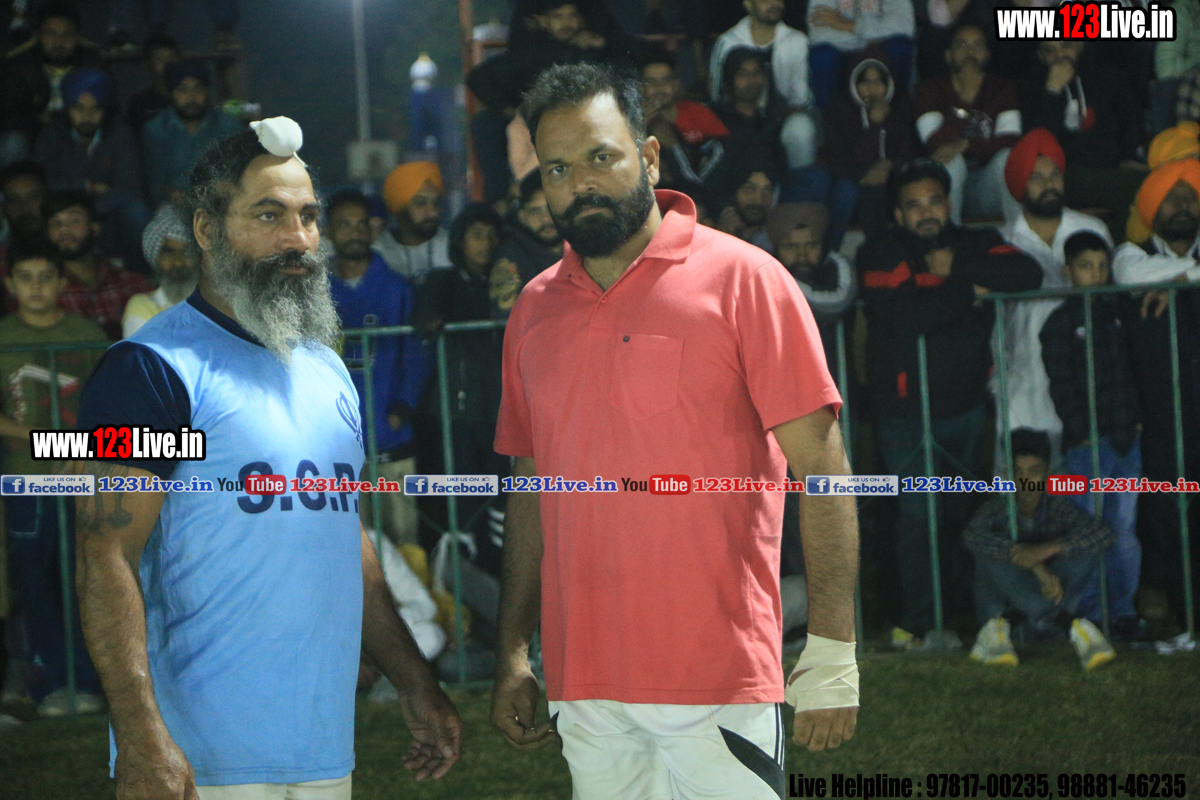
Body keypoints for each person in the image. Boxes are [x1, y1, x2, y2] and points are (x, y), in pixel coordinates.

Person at [491, 63, 860, 799]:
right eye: (558, 168)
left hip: (719, 679)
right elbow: (532, 493)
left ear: (651, 157)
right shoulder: (532, 309)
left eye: (601, 156)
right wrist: (511, 653)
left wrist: (832, 648)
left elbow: (823, 470)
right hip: (585, 686)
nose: (581, 183)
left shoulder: (747, 280)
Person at [70, 119, 462, 798]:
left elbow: (345, 539)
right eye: (269, 215)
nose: (299, 239)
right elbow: (104, 556)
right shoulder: (149, 369)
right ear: (206, 229)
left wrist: (415, 682)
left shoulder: (327, 370)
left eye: (308, 216)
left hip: (321, 747)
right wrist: (139, 734)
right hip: (200, 757)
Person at [858, 158, 1042, 641]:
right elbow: (904, 317)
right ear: (898, 213)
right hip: (905, 414)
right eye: (914, 204)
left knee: (963, 515)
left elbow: (1027, 274)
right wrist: (968, 288)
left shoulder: (972, 242)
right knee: (919, 517)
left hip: (966, 408)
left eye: (934, 201)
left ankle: (960, 618)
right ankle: (918, 623)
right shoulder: (881, 249)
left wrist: (954, 269)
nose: (926, 212)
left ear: (949, 203)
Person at [0, 243, 107, 716]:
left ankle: (89, 681)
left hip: (80, 474)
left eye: (46, 276)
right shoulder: (4, 335)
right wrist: (40, 439)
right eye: (26, 277)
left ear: (63, 282)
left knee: (83, 577)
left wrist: (82, 448)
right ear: (10, 283)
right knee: (35, 580)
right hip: (23, 477)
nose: (37, 287)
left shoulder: (85, 334)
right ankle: (53, 683)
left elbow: (108, 401)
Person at [1039, 231, 1145, 638]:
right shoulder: (1060, 323)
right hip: (1088, 445)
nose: (1096, 275)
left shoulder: (1117, 313)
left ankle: (1122, 611)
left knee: (1124, 530)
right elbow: (1062, 386)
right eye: (1087, 266)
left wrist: (1135, 421)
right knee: (1087, 531)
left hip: (1125, 439)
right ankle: (1088, 612)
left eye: (1102, 266)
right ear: (1068, 271)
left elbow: (1132, 371)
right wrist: (1082, 433)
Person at [1112, 159, 1200, 632]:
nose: (1183, 205)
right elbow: (1129, 275)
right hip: (1159, 411)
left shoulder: (1164, 267)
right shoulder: (1133, 254)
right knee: (1166, 507)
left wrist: (1176, 278)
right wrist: (1185, 275)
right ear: (1151, 207)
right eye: (1171, 197)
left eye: (1191, 196)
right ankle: (1175, 608)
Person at [996, 129, 1111, 466]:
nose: (1048, 184)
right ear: (1020, 184)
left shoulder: (1092, 230)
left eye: (1054, 175)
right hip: (1022, 382)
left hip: (1086, 383)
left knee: (1080, 484)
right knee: (1023, 484)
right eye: (1036, 177)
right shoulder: (1002, 241)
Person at [326, 189, 430, 550]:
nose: (354, 232)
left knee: (405, 546)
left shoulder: (397, 288)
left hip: (390, 441)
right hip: (337, 448)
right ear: (328, 232)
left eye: (361, 224)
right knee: (351, 552)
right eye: (344, 225)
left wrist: (403, 408)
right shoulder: (317, 293)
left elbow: (416, 355)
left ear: (372, 230)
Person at [411, 203, 509, 581]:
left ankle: (495, 576)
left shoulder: (505, 284)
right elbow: (424, 319)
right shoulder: (444, 280)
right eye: (477, 235)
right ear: (459, 242)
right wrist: (435, 321)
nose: (486, 243)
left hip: (499, 409)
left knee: (497, 494)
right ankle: (460, 583)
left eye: (492, 235)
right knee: (463, 497)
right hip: (456, 409)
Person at [964, 429, 1117, 670]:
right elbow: (972, 535)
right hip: (1009, 626)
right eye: (1018, 472)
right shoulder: (997, 508)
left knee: (1086, 549)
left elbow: (1103, 533)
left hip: (1042, 609)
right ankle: (1067, 622)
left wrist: (1049, 548)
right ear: (1008, 474)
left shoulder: (1057, 506)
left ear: (1046, 473)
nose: (1025, 481)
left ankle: (1030, 621)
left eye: (1033, 472)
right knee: (989, 550)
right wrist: (1033, 563)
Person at [32, 67, 149, 272]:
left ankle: (137, 276)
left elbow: (130, 190)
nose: (87, 116)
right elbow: (44, 185)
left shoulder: (120, 134)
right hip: (66, 217)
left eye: (95, 109)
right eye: (79, 108)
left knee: (136, 213)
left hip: (107, 215)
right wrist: (88, 187)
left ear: (105, 111)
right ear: (67, 109)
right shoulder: (52, 136)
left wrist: (88, 207)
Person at [1019, 41, 1147, 219]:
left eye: (1066, 46)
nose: (1060, 55)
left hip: (1110, 165)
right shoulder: (1032, 86)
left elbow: (1130, 121)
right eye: (1050, 51)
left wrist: (1129, 155)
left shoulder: (1107, 76)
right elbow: (1036, 143)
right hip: (1064, 172)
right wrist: (1052, 91)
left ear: (1079, 44)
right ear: (1041, 56)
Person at [914, 23, 1021, 223]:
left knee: (1008, 159)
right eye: (962, 45)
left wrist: (967, 144)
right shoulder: (929, 90)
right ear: (949, 55)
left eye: (977, 46)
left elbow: (1009, 141)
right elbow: (935, 143)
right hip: (945, 189)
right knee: (952, 161)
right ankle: (949, 238)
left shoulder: (1002, 88)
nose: (970, 52)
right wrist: (966, 98)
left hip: (987, 187)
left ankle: (1020, 237)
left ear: (987, 54)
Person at [813, 50, 917, 248]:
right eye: (865, 82)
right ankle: (873, 251)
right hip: (853, 184)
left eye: (879, 81)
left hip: (891, 181)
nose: (872, 88)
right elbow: (845, 161)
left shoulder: (901, 107)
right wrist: (875, 123)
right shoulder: (838, 111)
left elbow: (909, 152)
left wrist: (888, 165)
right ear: (854, 84)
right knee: (861, 189)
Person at [709, 0, 818, 169]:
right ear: (748, 4)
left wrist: (771, 122)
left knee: (800, 129)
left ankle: (801, 180)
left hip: (782, 117)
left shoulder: (797, 40)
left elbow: (800, 99)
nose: (774, 4)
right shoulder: (728, 42)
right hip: (736, 119)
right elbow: (717, 94)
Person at [0, 2, 102, 166]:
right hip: (33, 135)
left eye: (66, 34)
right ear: (38, 36)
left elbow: (108, 108)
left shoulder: (92, 63)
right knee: (12, 143)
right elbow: (10, 115)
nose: (59, 41)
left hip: (80, 131)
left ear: (77, 37)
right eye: (51, 34)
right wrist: (39, 120)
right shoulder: (20, 65)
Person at [43, 191, 154, 340]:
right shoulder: (44, 290)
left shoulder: (133, 285)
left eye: (74, 221)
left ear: (95, 228)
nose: (64, 229)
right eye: (55, 223)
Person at [766, 203, 856, 372]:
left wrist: (779, 280)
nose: (802, 256)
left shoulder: (838, 266)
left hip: (833, 379)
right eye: (791, 247)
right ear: (775, 249)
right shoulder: (760, 275)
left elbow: (836, 306)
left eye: (812, 246)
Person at [142, 58, 243, 206]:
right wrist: (174, 196)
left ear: (207, 91)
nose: (192, 97)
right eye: (182, 90)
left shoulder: (227, 125)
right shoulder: (156, 129)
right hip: (175, 206)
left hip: (220, 203)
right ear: (171, 93)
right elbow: (155, 184)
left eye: (198, 88)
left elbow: (237, 174)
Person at [640, 53, 729, 200]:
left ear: (677, 84)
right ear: (640, 87)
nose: (659, 88)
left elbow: (725, 154)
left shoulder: (699, 113)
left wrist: (675, 144)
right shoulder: (630, 119)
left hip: (702, 195)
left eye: (666, 81)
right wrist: (639, 127)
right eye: (651, 82)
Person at [806, 0, 915, 111]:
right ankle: (827, 115)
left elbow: (903, 26)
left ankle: (898, 111)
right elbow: (819, 34)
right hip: (843, 50)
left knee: (901, 47)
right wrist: (869, 37)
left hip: (881, 49)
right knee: (822, 57)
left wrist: (849, 25)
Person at [490, 170, 563, 316]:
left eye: (551, 208)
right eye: (535, 211)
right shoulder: (511, 255)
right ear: (522, 216)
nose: (545, 219)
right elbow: (507, 316)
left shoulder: (582, 246)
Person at [122, 204, 201, 337]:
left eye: (188, 252)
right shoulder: (142, 306)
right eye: (169, 253)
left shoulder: (218, 305)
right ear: (156, 258)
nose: (179, 262)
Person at [375, 161, 451, 286]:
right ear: (400, 209)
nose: (433, 212)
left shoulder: (452, 246)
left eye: (436, 203)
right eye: (421, 203)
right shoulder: (379, 252)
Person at [125, 33, 182, 138]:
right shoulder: (140, 102)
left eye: (172, 58)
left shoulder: (189, 97)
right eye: (159, 59)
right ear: (148, 64)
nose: (167, 64)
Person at [715, 165, 777, 251]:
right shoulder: (712, 235)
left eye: (767, 190)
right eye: (749, 189)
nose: (758, 200)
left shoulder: (777, 239)